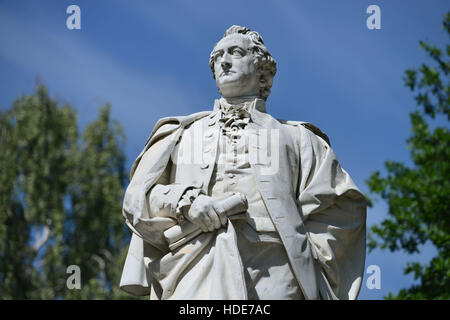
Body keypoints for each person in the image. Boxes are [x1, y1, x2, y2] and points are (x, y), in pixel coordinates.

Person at [119, 25, 366, 300]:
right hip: (194, 265)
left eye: (235, 52)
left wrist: (308, 255)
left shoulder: (301, 139)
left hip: (276, 270)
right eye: (217, 57)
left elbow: (341, 207)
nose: (224, 61)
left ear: (261, 67)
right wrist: (184, 201)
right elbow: (140, 198)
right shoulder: (179, 133)